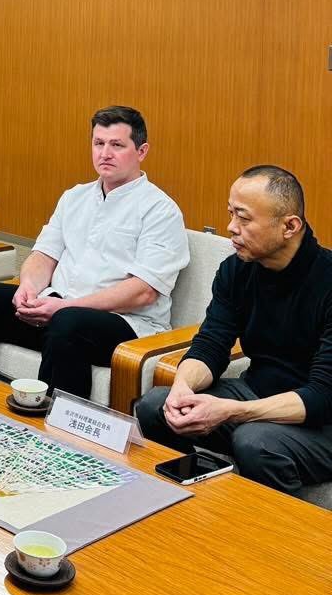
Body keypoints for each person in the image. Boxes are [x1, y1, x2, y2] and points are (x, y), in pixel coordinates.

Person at [0, 106, 187, 400]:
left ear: (141, 151)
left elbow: (143, 292)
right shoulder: (74, 196)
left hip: (122, 324)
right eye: (98, 143)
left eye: (117, 145)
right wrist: (28, 288)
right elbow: (43, 256)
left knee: (69, 324)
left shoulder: (160, 210)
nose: (105, 153)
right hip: (59, 310)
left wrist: (65, 308)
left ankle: (53, 434)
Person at [136, 167, 332, 498]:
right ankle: (179, 506)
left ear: (289, 226)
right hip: (257, 395)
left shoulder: (326, 282)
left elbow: (321, 397)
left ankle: (279, 540)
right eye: (230, 213)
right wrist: (182, 387)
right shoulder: (237, 269)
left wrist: (232, 412)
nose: (231, 228)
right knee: (157, 405)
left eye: (243, 218)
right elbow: (211, 344)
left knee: (255, 442)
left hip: (320, 421)